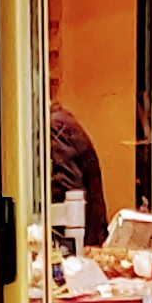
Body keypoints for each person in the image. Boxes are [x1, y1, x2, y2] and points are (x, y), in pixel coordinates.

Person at [49, 97, 109, 250]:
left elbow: (65, 193)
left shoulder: (54, 127)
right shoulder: (63, 123)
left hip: (77, 241)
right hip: (87, 238)